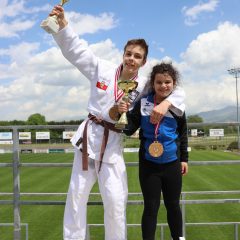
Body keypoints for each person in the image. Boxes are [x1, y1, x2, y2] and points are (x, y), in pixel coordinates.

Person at [48, 5, 185, 240]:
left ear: (144, 62)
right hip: (88, 143)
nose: (132, 59)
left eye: (138, 56)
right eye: (129, 54)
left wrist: (164, 104)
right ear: (123, 54)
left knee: (116, 202)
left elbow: (178, 92)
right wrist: (63, 25)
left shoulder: (144, 85)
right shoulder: (102, 69)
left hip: (113, 145)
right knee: (76, 199)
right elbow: (76, 51)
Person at [118, 62, 188, 240]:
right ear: (153, 83)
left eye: (167, 82)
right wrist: (122, 115)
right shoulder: (143, 103)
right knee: (151, 206)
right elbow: (129, 129)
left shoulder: (177, 104)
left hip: (172, 163)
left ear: (173, 83)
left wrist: (184, 159)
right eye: (159, 82)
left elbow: (183, 133)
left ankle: (178, 238)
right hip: (149, 164)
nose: (163, 86)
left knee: (173, 205)